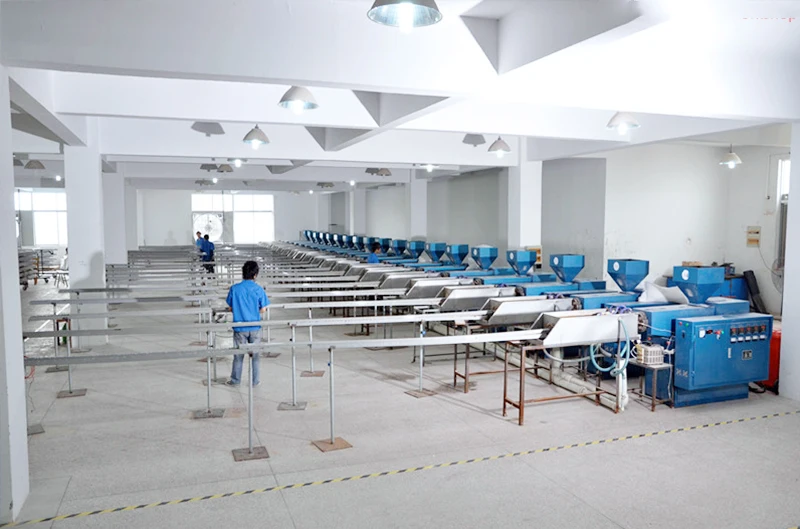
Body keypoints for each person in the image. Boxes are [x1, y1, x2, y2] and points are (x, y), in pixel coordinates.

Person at [226, 261, 269, 387]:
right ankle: (255, 381)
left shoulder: (235, 288)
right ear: (255, 275)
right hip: (254, 326)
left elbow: (231, 307)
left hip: (239, 327)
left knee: (238, 355)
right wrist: (253, 311)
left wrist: (241, 310)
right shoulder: (258, 289)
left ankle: (235, 380)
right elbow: (263, 309)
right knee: (255, 356)